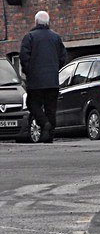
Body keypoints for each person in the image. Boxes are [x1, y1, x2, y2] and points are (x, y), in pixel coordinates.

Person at [19, 10, 67, 143]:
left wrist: (28, 72)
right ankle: (49, 136)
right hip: (52, 81)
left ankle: (44, 123)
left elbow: (24, 57)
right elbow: (63, 57)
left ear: (36, 22)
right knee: (51, 108)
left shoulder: (30, 37)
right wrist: (54, 70)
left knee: (32, 104)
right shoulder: (56, 37)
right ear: (48, 22)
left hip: (35, 82)